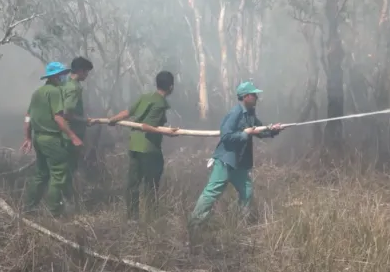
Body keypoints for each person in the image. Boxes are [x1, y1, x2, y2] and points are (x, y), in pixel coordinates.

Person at [188, 81, 283, 234]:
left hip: (240, 163)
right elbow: (226, 136)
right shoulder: (235, 113)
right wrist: (244, 134)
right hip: (226, 160)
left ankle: (240, 225)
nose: (257, 98)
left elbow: (259, 131)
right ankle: (195, 224)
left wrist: (273, 130)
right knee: (212, 192)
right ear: (245, 97)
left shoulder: (250, 114)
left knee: (247, 191)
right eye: (254, 95)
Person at [107, 70, 178, 222]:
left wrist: (114, 119)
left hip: (134, 146)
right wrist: (167, 132)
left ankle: (132, 217)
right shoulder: (160, 103)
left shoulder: (145, 97)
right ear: (171, 87)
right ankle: (151, 218)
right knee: (150, 184)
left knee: (133, 183)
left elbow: (128, 112)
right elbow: (146, 126)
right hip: (149, 149)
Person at [20, 61, 84, 218]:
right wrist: (73, 136)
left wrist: (28, 137)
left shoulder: (38, 92)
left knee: (41, 174)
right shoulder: (55, 92)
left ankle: (28, 209)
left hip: (38, 138)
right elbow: (58, 118)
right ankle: (55, 213)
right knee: (58, 174)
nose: (64, 77)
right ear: (55, 76)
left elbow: (28, 117)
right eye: (62, 74)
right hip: (52, 139)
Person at [61, 57, 94, 174]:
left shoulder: (64, 83)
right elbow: (67, 114)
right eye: (86, 72)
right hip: (71, 134)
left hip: (65, 133)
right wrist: (85, 121)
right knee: (69, 168)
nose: (87, 75)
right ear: (80, 71)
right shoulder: (74, 88)